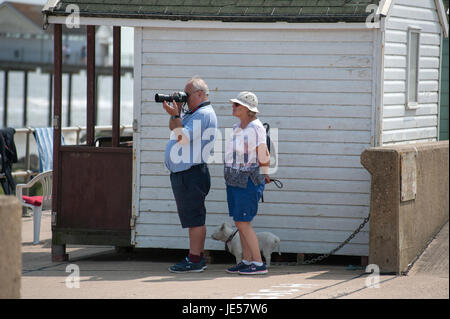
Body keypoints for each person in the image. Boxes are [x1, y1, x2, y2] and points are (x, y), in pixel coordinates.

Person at [163, 77, 218, 273]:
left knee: (195, 218)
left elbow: (182, 137)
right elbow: (174, 129)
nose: (184, 98)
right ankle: (196, 257)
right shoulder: (193, 113)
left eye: (187, 95)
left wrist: (176, 113)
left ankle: (195, 259)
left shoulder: (203, 114)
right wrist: (175, 115)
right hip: (186, 173)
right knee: (192, 217)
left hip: (192, 172)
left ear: (200, 94)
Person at [224, 91, 271, 275]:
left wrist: (265, 173)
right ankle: (247, 260)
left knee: (243, 222)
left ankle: (258, 264)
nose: (233, 107)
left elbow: (264, 155)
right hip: (235, 179)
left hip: (248, 180)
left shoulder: (256, 128)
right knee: (239, 221)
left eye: (237, 105)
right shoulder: (238, 127)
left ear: (247, 109)